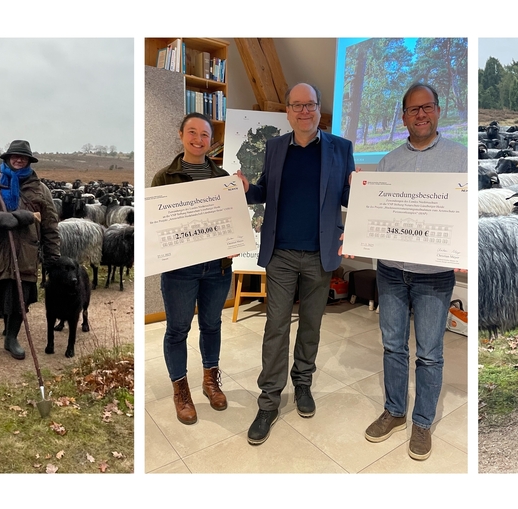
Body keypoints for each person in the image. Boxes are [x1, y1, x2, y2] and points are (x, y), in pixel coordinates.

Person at [235, 83, 354, 445]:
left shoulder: (340, 148)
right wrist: (246, 190)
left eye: (311, 105)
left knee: (312, 326)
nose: (304, 111)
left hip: (320, 254)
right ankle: (269, 401)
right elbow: (265, 191)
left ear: (319, 110)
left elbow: (349, 197)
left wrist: (364, 187)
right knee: (276, 327)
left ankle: (303, 384)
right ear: (287, 111)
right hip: (282, 253)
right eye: (297, 105)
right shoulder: (274, 147)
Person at [359, 83, 467, 460]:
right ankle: (394, 411)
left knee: (430, 352)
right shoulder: (388, 162)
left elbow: (470, 215)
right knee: (392, 345)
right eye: (413, 110)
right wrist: (357, 234)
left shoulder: (460, 159)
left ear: (438, 111)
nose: (421, 115)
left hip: (433, 273)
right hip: (390, 270)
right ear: (403, 116)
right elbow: (374, 214)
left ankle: (422, 422)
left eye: (428, 107)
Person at [152, 112, 234, 425]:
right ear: (180, 134)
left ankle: (210, 380)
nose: (198, 139)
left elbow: (230, 218)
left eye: (204, 135)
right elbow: (156, 223)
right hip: (179, 269)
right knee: (178, 329)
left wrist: (235, 239)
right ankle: (181, 390)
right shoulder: (163, 177)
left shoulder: (223, 178)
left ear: (211, 140)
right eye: (192, 132)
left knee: (212, 324)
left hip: (217, 268)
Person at [0, 140, 60, 363]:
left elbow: (50, 225)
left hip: (25, 254)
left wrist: (53, 257)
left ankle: (11, 338)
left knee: (19, 301)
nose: (19, 160)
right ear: (7, 159)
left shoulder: (40, 190)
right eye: (15, 156)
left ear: (29, 160)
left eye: (23, 157)